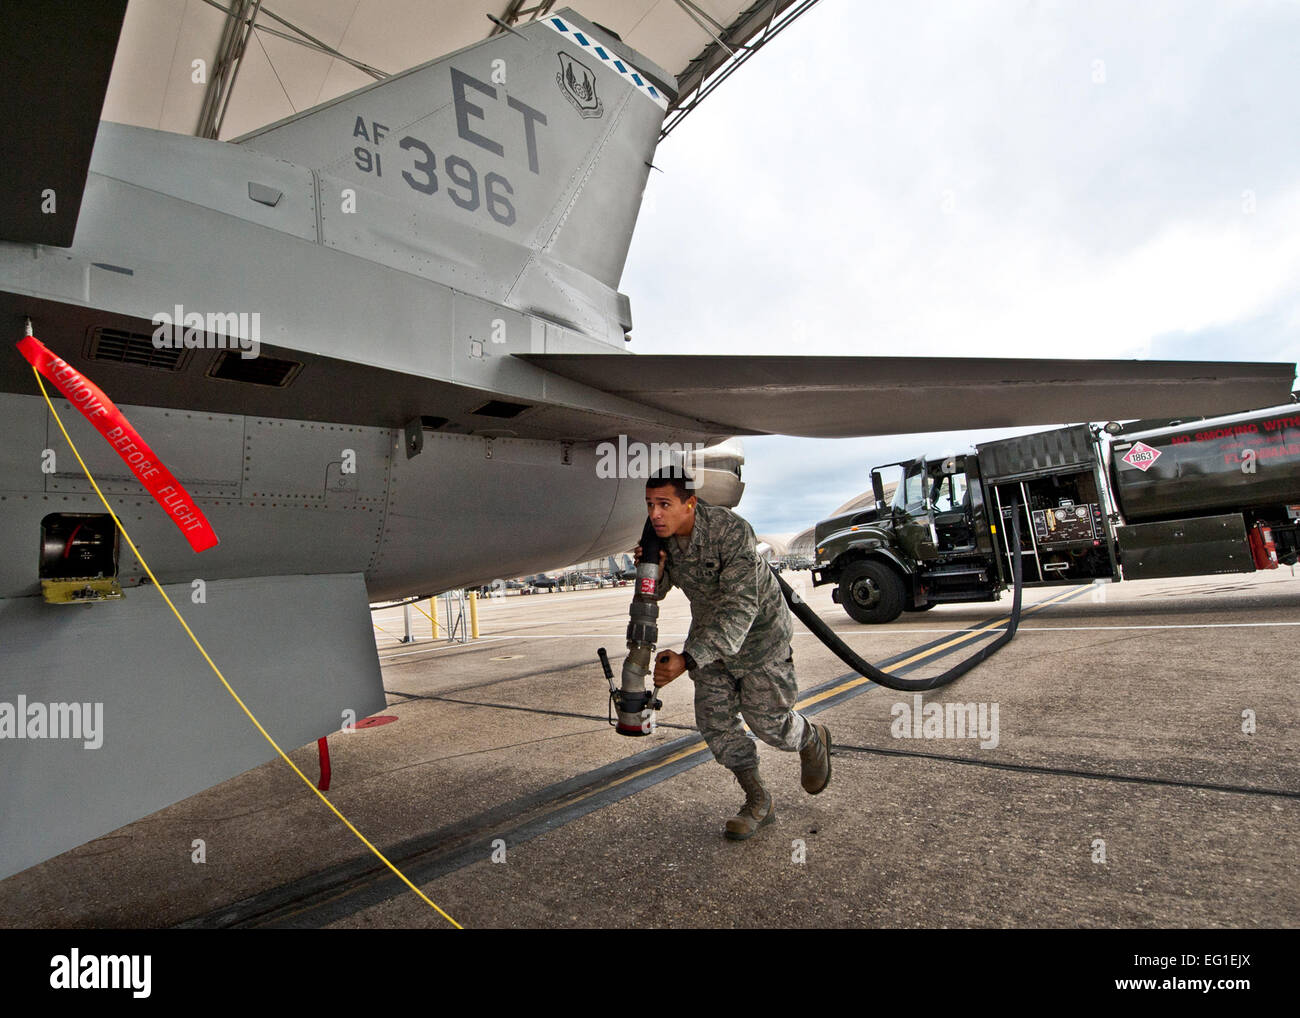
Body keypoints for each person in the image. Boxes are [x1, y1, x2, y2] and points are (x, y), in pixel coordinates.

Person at [635, 468, 831, 840]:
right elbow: (655, 593)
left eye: (664, 504)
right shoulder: (663, 539)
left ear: (689, 504)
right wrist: (654, 571)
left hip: (759, 640)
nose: (655, 514)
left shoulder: (731, 532)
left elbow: (742, 609)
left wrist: (687, 660)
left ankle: (810, 737)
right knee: (716, 724)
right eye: (649, 505)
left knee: (770, 726)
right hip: (712, 642)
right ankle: (758, 801)